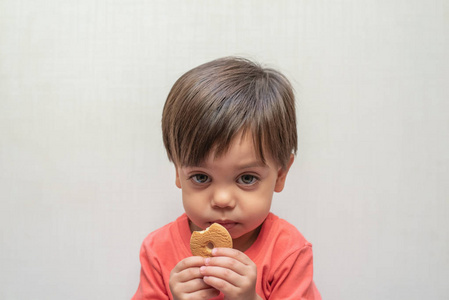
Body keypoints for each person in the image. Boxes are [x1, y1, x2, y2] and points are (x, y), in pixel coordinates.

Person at [132, 57, 321, 299]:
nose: (222, 199)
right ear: (178, 173)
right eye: (201, 177)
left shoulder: (289, 251)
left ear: (280, 176)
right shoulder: (158, 249)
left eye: (247, 178)